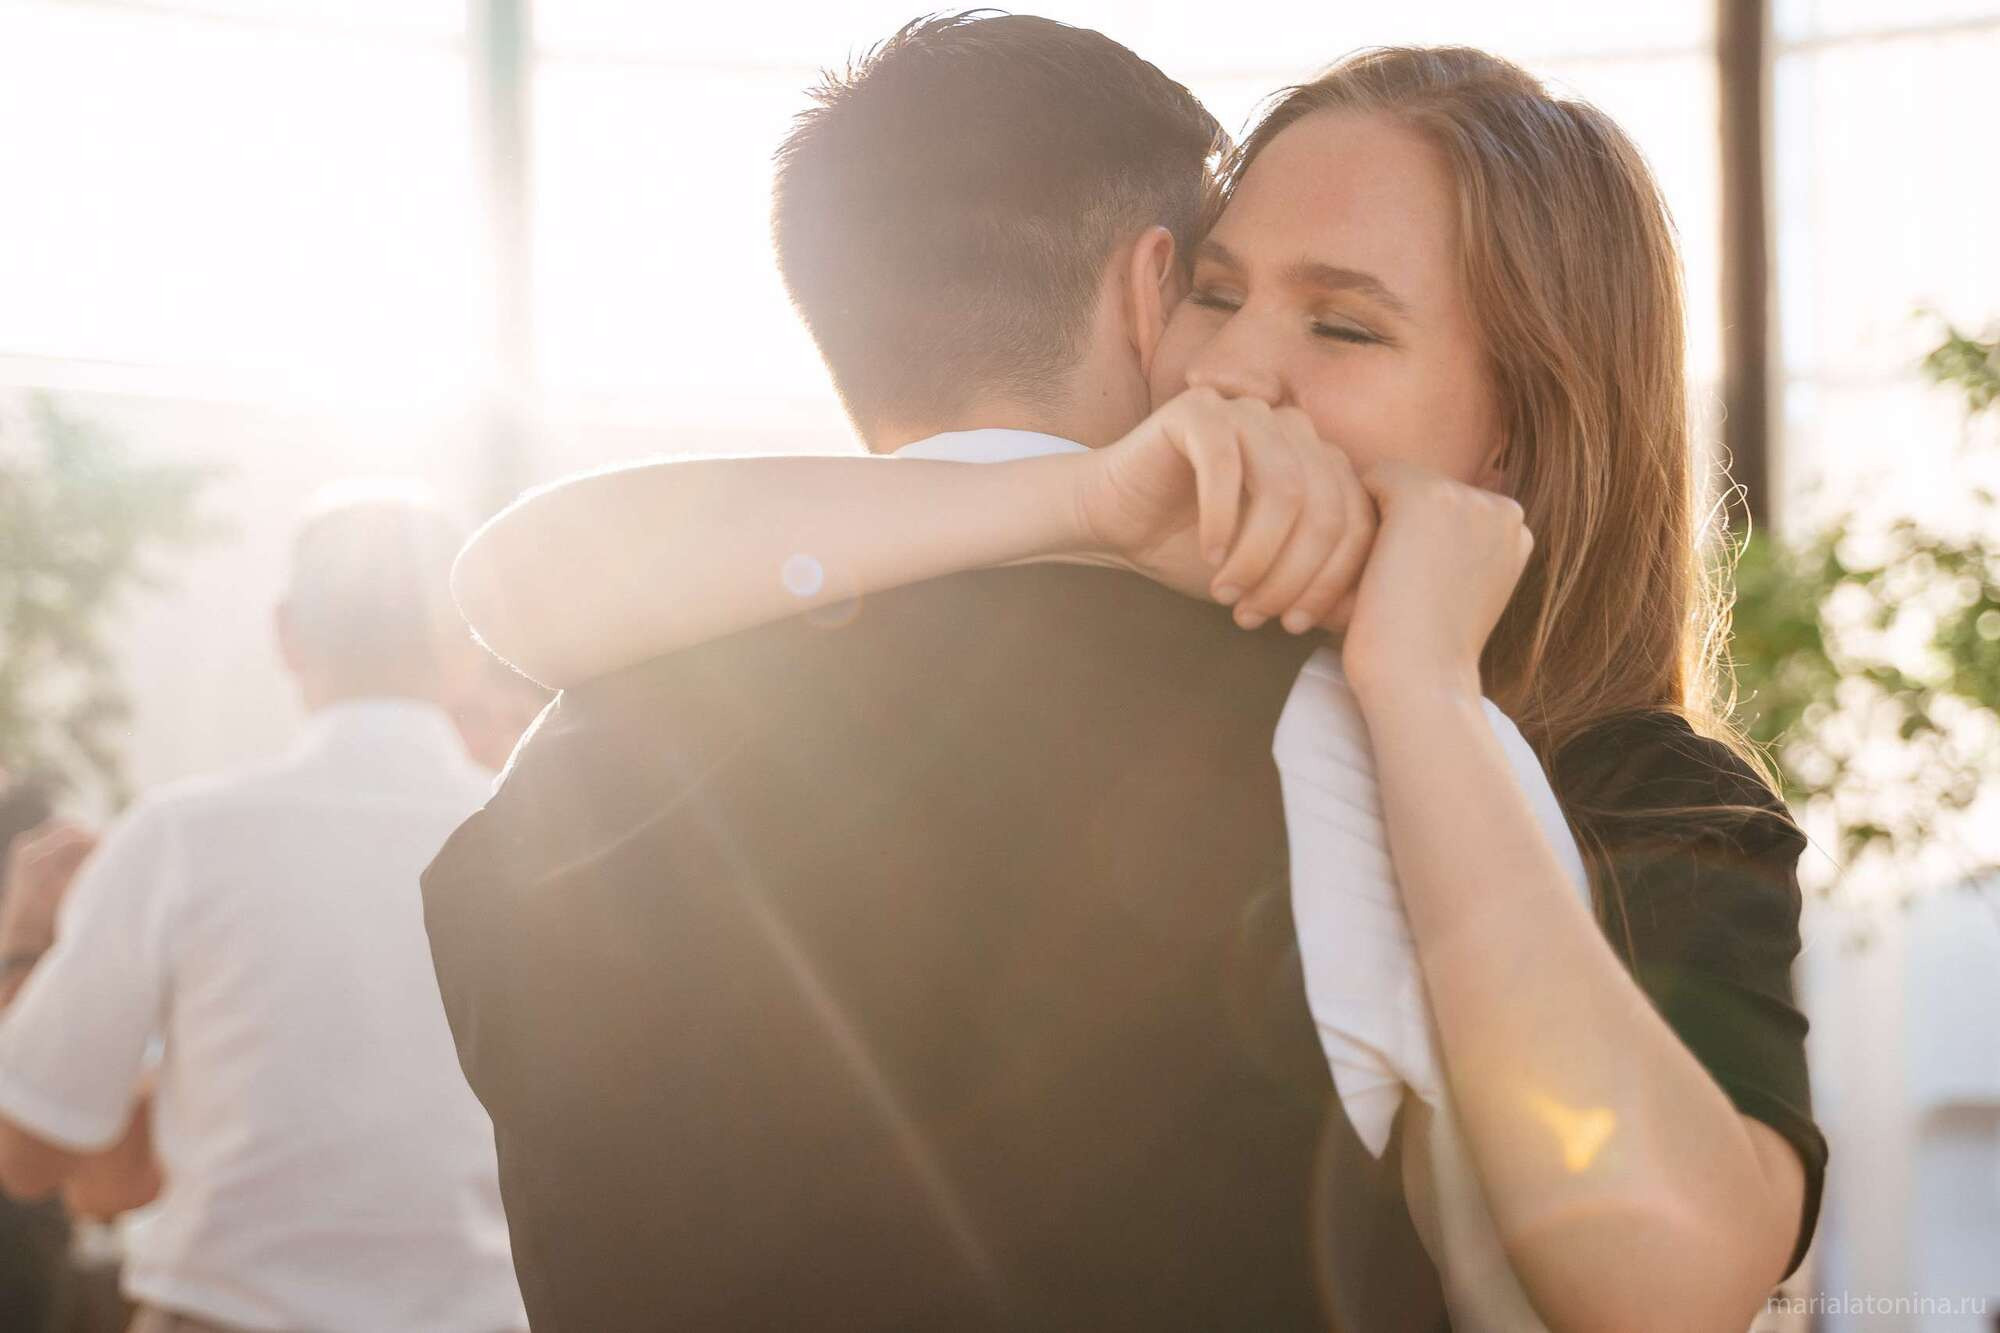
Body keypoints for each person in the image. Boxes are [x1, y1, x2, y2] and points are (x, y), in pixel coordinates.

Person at [436, 26, 1826, 1333]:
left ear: (1522, 438)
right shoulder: (1154, 627)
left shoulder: (1636, 794)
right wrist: (1079, 501)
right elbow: (520, 586)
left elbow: (1674, 1278)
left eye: (1344, 329)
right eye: (1213, 294)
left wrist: (1422, 692)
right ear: (1146, 293)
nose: (1229, 370)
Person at [0, 489, 529, 1333]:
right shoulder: (546, 849)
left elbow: (29, 1155)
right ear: (469, 646)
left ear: (287, 635)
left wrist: (26, 942)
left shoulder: (181, 838)